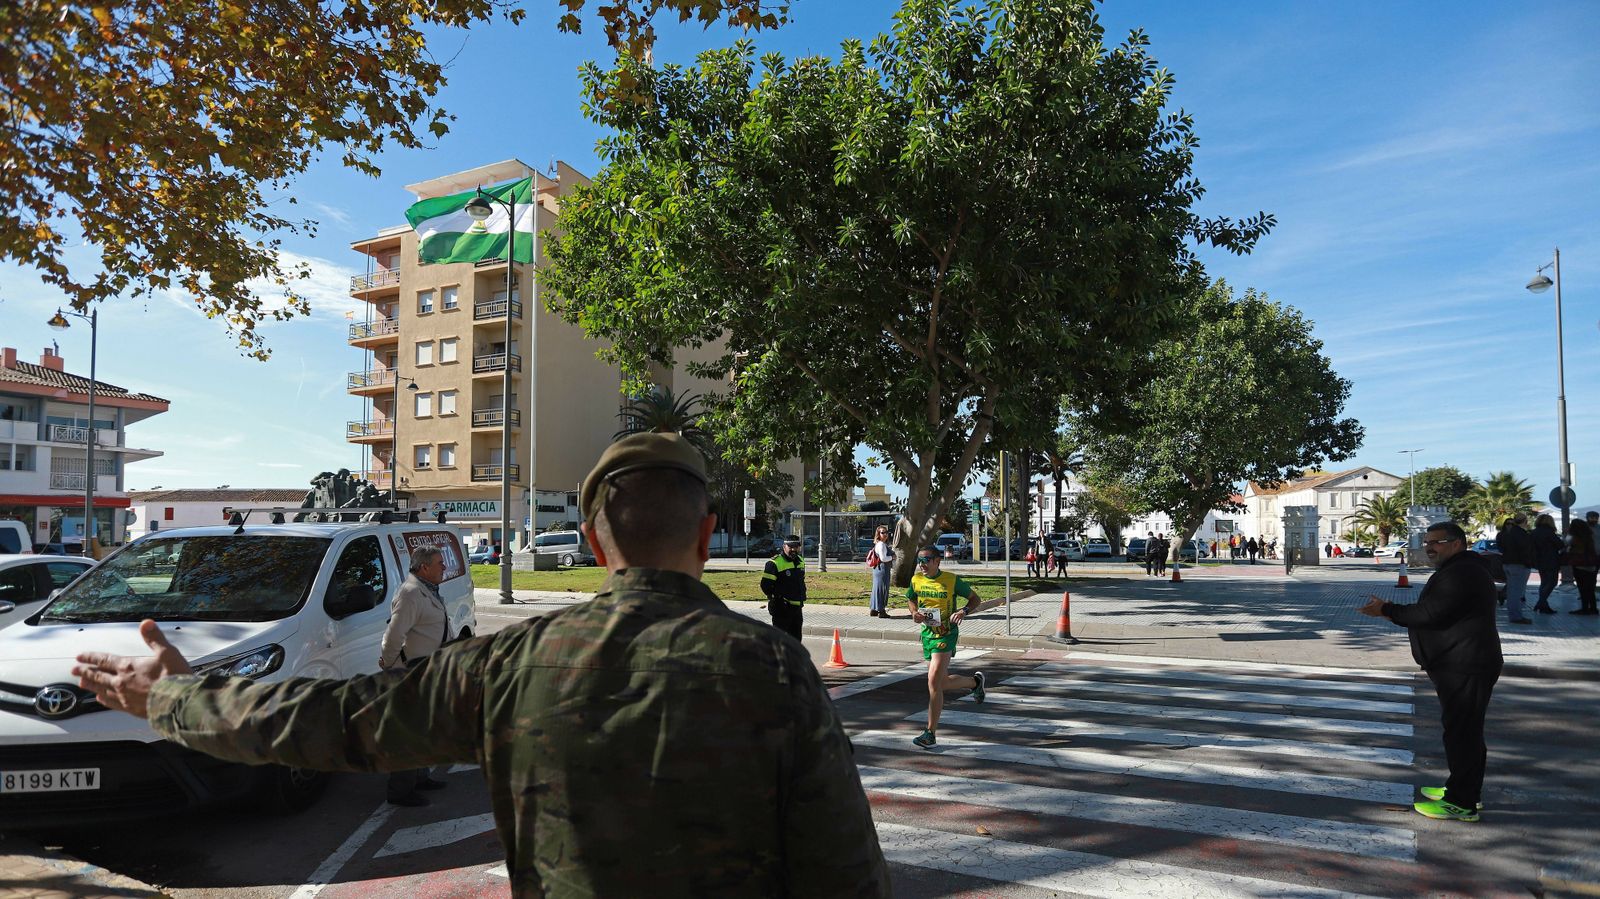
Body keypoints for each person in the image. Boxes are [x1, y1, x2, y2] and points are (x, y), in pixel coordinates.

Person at [72, 433, 891, 897]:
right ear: (709, 537)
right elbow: (846, 876)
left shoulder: (512, 664)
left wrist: (176, 699)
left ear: (597, 543)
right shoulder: (776, 672)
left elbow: (331, 721)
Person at [1359, 521, 1501, 822]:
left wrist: (1386, 610)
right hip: (1461, 662)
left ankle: (1461, 802)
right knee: (1464, 732)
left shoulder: (1462, 572)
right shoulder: (1462, 569)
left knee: (1463, 734)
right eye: (1427, 542)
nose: (1430, 548)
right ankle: (1462, 788)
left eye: (1437, 542)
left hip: (1465, 664)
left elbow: (1430, 614)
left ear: (1458, 543)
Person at [377, 545, 452, 806]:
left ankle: (420, 777)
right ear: (424, 568)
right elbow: (393, 636)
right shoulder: (410, 594)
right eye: (439, 563)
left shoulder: (427, 590)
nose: (444, 567)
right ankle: (400, 791)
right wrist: (389, 665)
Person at [906, 547, 985, 748]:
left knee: (932, 681)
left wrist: (963, 611)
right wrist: (914, 613)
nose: (922, 564)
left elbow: (975, 599)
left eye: (926, 560)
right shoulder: (916, 580)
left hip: (946, 634)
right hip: (927, 635)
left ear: (937, 561)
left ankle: (930, 733)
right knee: (940, 684)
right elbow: (911, 598)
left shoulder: (951, 580)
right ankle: (974, 683)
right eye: (919, 560)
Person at [761, 534, 807, 639]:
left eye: (796, 546)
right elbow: (765, 586)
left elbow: (800, 581)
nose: (793, 549)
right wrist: (777, 599)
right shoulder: (774, 563)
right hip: (782, 609)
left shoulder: (800, 561)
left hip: (797, 608)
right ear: (784, 547)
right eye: (790, 547)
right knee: (779, 642)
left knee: (795, 642)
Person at [1496, 513, 1534, 624]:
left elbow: (1502, 548)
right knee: (1517, 592)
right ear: (1525, 521)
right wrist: (1528, 563)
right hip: (1518, 565)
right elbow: (1525, 551)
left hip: (1507, 563)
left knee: (1512, 591)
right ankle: (1516, 616)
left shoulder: (1505, 534)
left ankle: (1514, 615)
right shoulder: (1521, 534)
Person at [1564, 519, 1599, 615]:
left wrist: (1567, 533)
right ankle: (1593, 608)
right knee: (1590, 587)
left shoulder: (1573, 536)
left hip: (1579, 564)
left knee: (1582, 587)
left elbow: (1565, 543)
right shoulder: (1590, 535)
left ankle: (1584, 608)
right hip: (1591, 563)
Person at [1531, 513, 1563, 614]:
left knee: (1544, 583)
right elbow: (1559, 545)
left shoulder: (1534, 532)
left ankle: (1544, 606)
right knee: (1552, 583)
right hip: (1551, 560)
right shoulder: (1549, 532)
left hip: (1539, 561)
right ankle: (1541, 603)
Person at [869, 524, 895, 618]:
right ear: (878, 534)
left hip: (877, 569)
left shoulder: (878, 544)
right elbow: (883, 558)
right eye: (883, 532)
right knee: (883, 589)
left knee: (876, 589)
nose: (885, 534)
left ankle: (874, 609)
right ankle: (881, 611)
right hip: (882, 569)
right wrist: (892, 557)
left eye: (886, 532)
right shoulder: (881, 545)